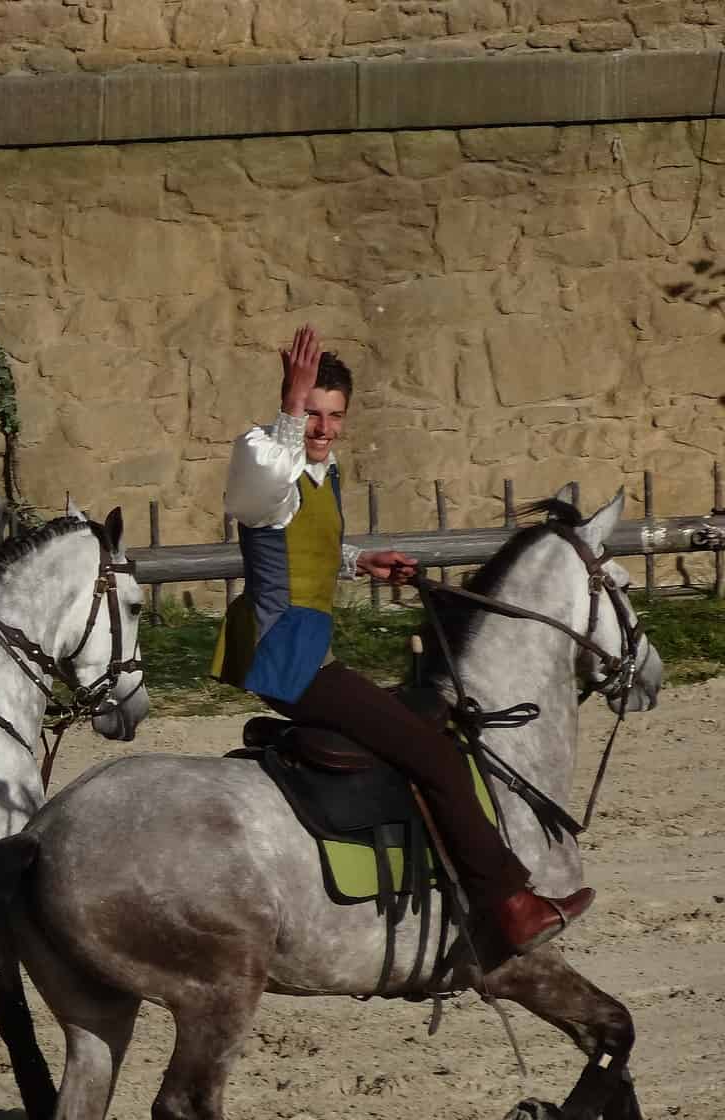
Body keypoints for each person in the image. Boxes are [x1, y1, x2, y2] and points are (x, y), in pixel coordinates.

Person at [212, 324, 593, 954]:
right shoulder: (265, 456)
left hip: (308, 650)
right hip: (285, 655)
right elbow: (257, 500)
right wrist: (288, 405)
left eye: (333, 416)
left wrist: (358, 562)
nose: (322, 428)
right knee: (435, 756)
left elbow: (294, 545)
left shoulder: (318, 471)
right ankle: (510, 904)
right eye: (313, 413)